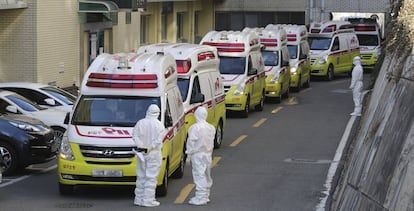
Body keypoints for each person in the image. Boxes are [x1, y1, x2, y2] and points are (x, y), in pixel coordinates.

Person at [132, 104, 165, 207]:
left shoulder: (140, 123)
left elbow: (135, 136)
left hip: (141, 153)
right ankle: (148, 200)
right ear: (158, 113)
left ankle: (138, 198)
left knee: (141, 176)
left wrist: (141, 146)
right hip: (154, 153)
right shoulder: (159, 125)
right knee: (151, 177)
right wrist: (150, 147)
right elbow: (159, 140)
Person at [186, 106, 215, 205]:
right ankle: (206, 195)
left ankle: (200, 197)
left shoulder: (194, 128)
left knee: (199, 175)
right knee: (207, 175)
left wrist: (188, 154)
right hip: (208, 154)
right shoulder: (211, 128)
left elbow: (191, 142)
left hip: (197, 155)